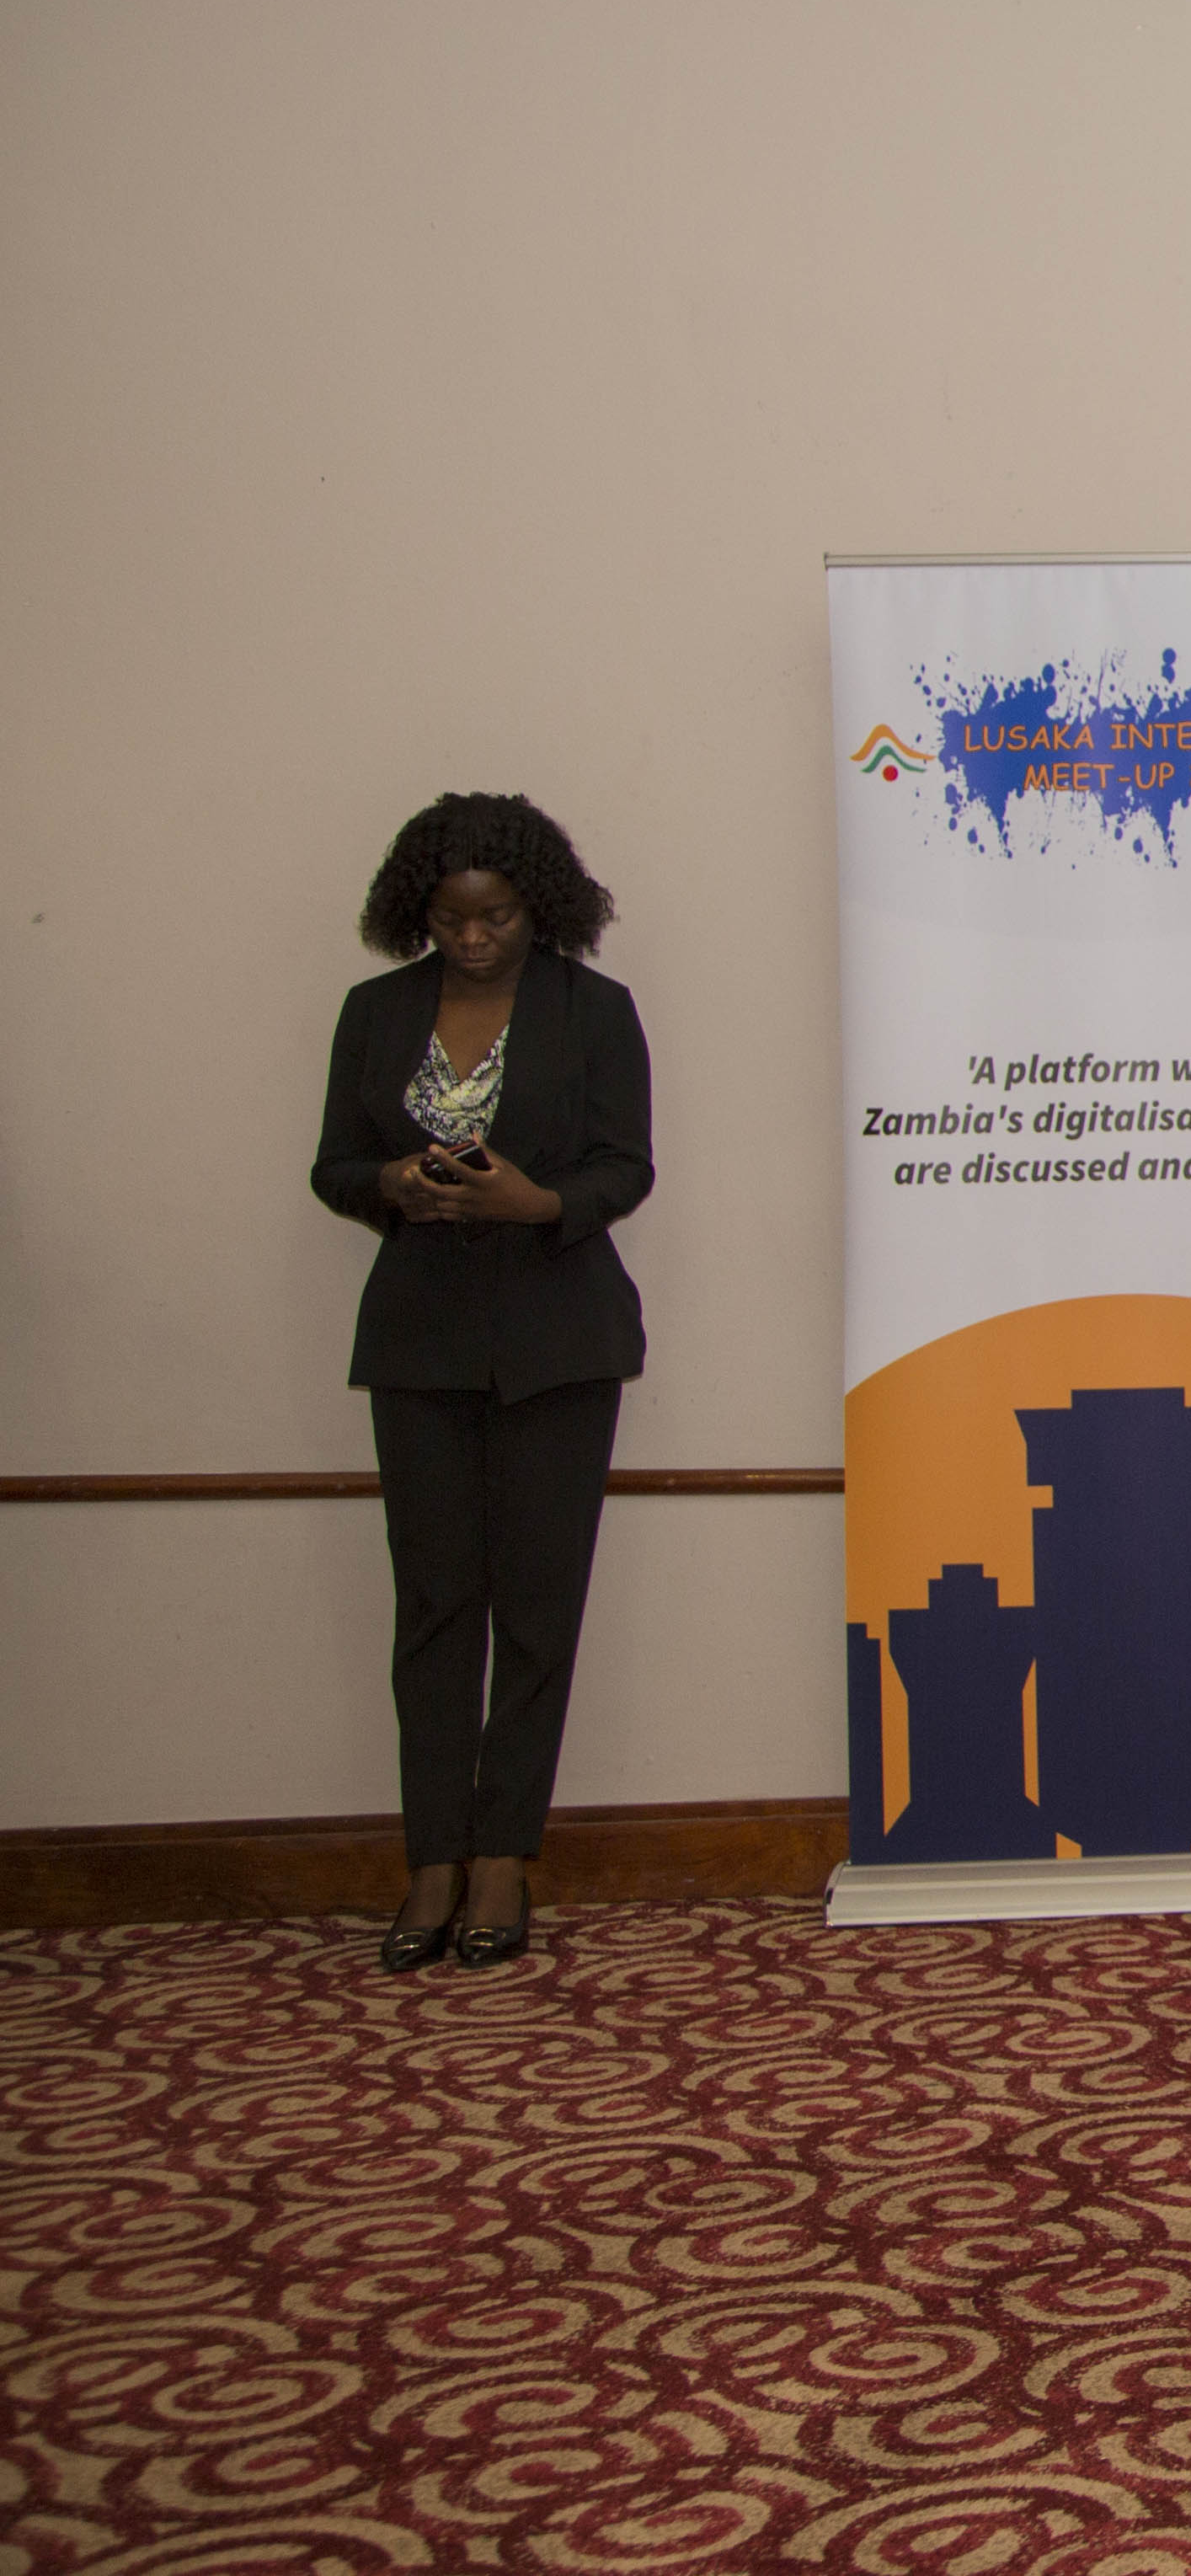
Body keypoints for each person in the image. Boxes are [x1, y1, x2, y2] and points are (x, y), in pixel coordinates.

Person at [310, 794, 654, 1974]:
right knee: (435, 1604)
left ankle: (505, 1855)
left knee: (539, 1608)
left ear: (537, 907)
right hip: (420, 1344)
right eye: (449, 918)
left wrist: (536, 1202)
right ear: (416, 911)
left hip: (563, 1342)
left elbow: (626, 1167)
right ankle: (433, 1861)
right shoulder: (374, 1012)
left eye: (494, 916)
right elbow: (334, 1165)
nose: (470, 938)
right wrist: (393, 1185)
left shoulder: (595, 1011)